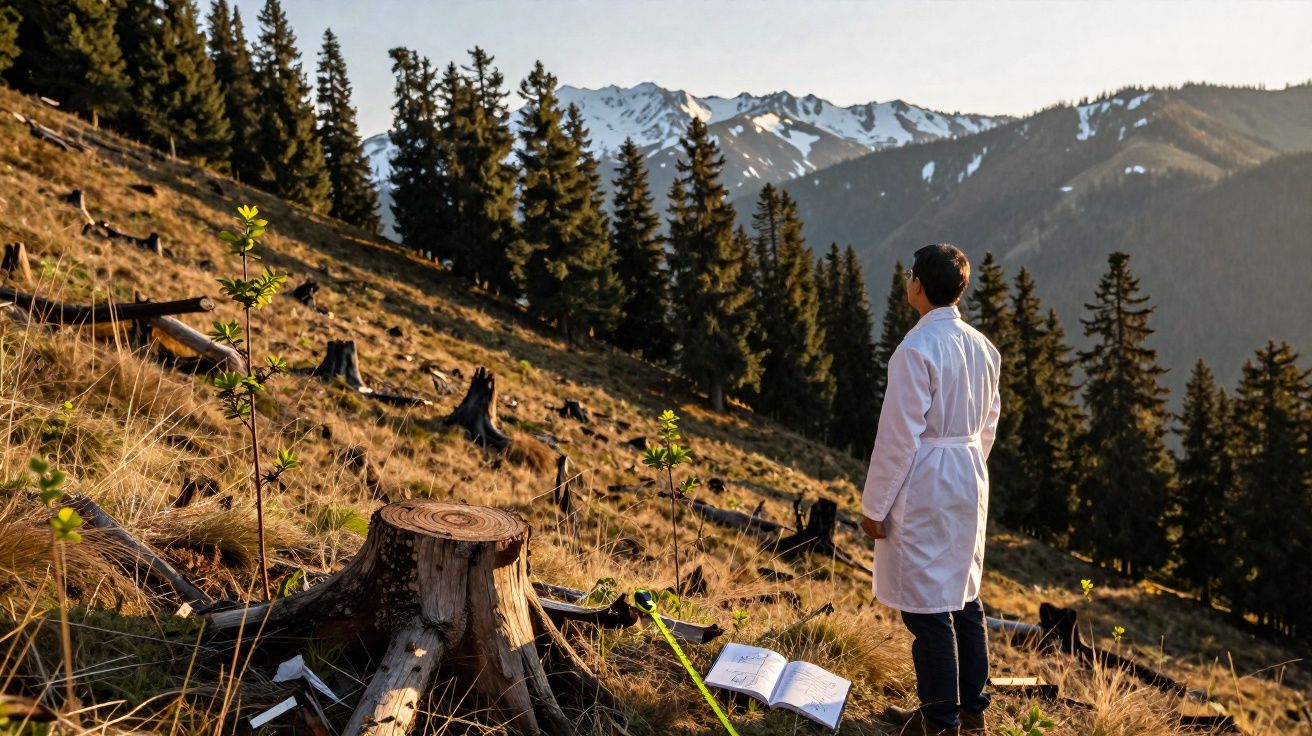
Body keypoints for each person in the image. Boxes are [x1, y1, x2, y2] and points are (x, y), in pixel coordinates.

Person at [860, 244, 1001, 736]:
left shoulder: (915, 350)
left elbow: (898, 438)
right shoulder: (984, 347)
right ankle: (972, 712)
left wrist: (874, 506)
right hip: (968, 474)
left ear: (917, 284)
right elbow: (988, 424)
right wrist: (968, 469)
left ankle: (940, 722)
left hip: (927, 480)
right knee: (963, 593)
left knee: (927, 608)